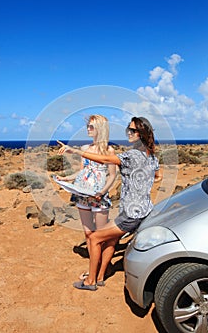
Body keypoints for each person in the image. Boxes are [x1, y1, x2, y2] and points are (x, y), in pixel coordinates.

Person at [58, 116, 162, 290]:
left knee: (94, 238)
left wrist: (75, 151)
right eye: (128, 130)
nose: (129, 133)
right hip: (143, 210)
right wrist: (141, 186)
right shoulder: (151, 156)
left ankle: (90, 281)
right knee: (110, 240)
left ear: (142, 133)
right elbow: (159, 177)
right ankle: (100, 275)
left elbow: (106, 160)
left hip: (131, 214)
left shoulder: (133, 155)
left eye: (133, 130)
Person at [56, 114, 116, 279]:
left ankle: (104, 268)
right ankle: (94, 267)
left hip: (99, 198)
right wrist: (66, 178)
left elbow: (112, 175)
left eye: (91, 126)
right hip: (82, 196)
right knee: (89, 234)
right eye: (88, 126)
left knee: (100, 236)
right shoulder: (84, 148)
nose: (88, 129)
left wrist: (102, 192)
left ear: (100, 129)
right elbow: (82, 171)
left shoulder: (109, 151)